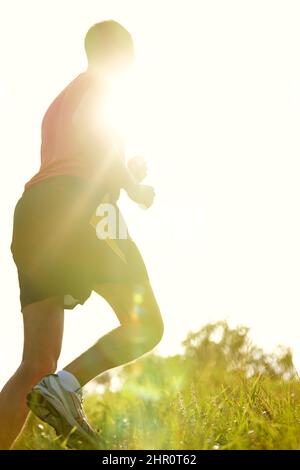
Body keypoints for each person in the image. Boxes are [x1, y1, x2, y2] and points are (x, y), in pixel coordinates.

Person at [0, 20, 164, 450]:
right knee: (145, 326)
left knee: (35, 363)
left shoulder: (63, 97)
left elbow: (83, 151)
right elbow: (96, 137)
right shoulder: (106, 85)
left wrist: (128, 180)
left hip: (33, 212)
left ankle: (53, 385)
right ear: (121, 56)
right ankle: (67, 385)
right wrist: (129, 185)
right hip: (76, 207)